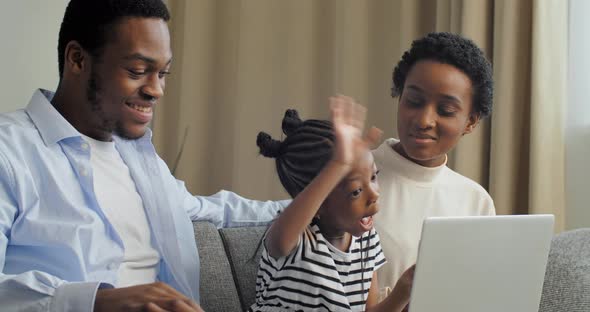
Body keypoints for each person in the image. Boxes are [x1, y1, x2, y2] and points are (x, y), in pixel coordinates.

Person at [0, 1, 287, 311]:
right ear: (78, 59)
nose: (157, 90)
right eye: (138, 71)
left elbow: (212, 211)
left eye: (162, 73)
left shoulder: (139, 160)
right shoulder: (10, 151)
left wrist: (317, 201)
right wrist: (97, 301)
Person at [250, 97, 415, 312]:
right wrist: (339, 165)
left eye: (374, 177)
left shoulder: (367, 239)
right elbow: (279, 243)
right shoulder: (297, 239)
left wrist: (403, 292)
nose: (374, 194)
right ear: (318, 201)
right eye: (356, 191)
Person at [372, 32, 496, 294]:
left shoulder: (476, 201)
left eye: (446, 111)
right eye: (414, 101)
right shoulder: (354, 176)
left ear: (471, 122)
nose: (424, 120)